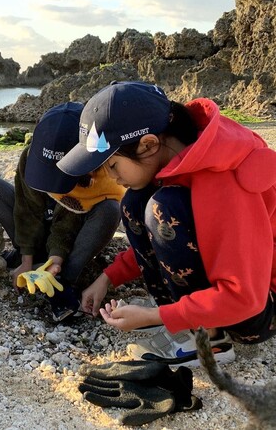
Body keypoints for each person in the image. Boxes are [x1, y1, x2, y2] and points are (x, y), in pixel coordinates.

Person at [57, 81, 276, 366]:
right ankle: (186, 317)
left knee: (162, 207)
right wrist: (107, 278)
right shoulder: (180, 160)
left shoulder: (222, 181)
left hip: (259, 308)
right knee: (136, 203)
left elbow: (246, 298)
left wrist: (154, 317)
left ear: (148, 144)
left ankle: (209, 338)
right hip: (241, 295)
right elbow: (170, 238)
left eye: (112, 166)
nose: (113, 179)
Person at [0, 102, 125, 322]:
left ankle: (63, 280)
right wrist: (27, 259)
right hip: (39, 225)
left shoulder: (97, 173)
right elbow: (25, 209)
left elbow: (66, 224)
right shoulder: (30, 156)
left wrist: (55, 260)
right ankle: (28, 258)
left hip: (73, 233)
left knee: (110, 210)